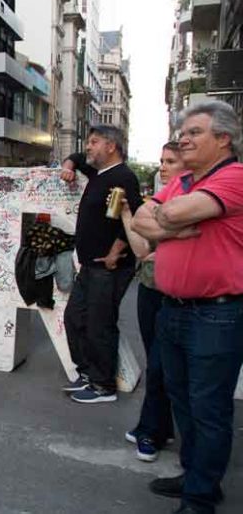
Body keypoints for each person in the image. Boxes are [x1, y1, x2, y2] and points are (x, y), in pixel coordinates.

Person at [132, 101, 243, 514]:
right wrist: (173, 231)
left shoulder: (234, 177)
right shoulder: (186, 179)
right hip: (173, 309)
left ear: (223, 139)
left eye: (195, 132)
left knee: (208, 408)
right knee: (181, 400)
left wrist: (165, 219)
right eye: (183, 131)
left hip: (216, 314)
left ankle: (200, 499)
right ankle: (194, 475)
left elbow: (167, 212)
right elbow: (142, 219)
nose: (183, 138)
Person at [59, 125, 143, 404]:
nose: (88, 146)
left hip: (108, 267)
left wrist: (114, 253)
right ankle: (88, 373)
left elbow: (133, 218)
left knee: (100, 325)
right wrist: (69, 164)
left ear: (111, 146)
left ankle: (103, 385)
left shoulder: (123, 177)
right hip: (89, 266)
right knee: (74, 318)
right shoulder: (99, 173)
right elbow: (76, 156)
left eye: (94, 142)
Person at [118, 142, 183, 462]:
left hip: (179, 296)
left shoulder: (195, 203)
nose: (163, 167)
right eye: (161, 161)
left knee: (160, 366)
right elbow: (143, 250)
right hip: (149, 289)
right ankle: (160, 427)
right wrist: (129, 214)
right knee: (156, 363)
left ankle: (150, 431)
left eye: (171, 161)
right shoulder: (157, 201)